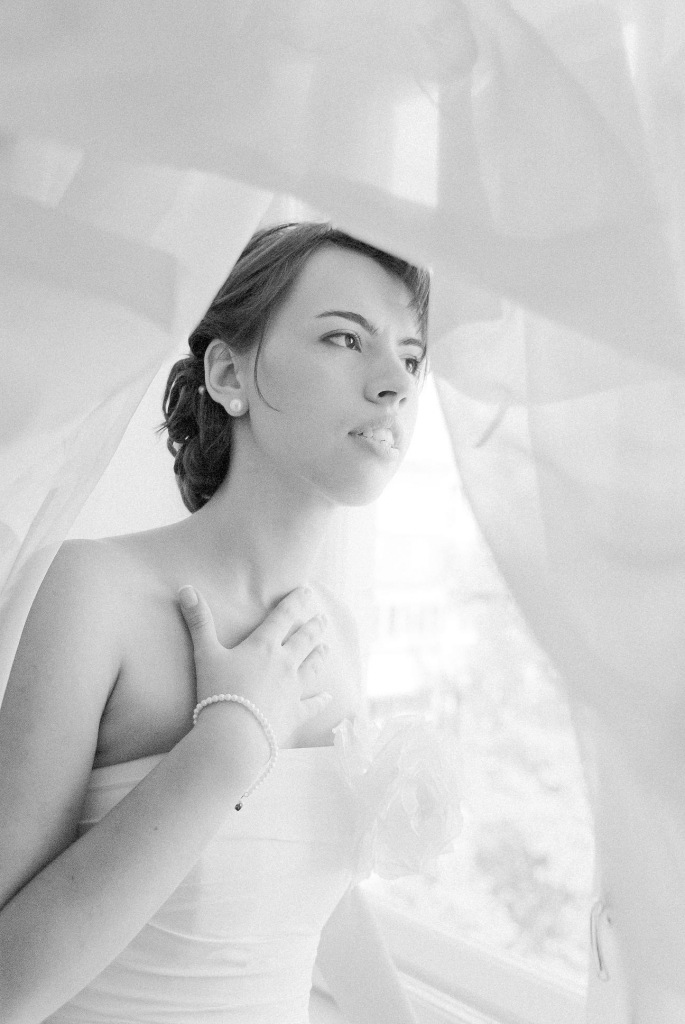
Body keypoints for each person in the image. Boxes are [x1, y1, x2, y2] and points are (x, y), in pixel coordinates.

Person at [0, 222, 442, 1024]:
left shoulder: (338, 631)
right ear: (229, 373)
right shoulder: (95, 593)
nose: (394, 385)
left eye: (411, 358)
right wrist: (227, 748)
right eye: (346, 338)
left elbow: (305, 904)